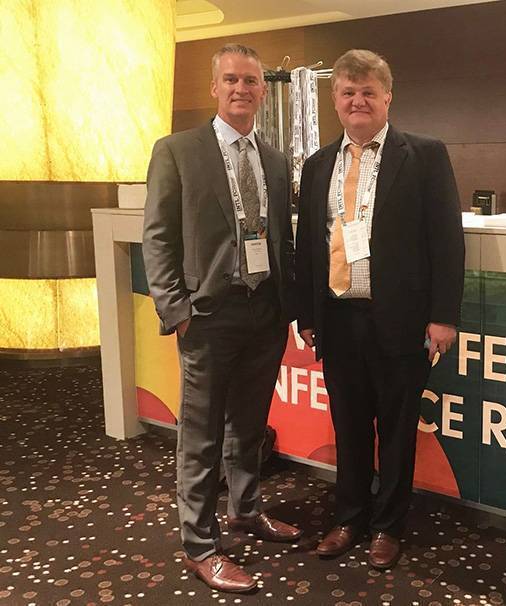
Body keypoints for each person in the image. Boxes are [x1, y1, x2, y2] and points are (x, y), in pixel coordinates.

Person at [143, 43, 313, 594]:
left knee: (250, 424)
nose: (242, 89)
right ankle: (199, 545)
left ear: (263, 90)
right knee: (201, 435)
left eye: (251, 81)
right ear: (214, 87)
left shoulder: (275, 160)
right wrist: (177, 311)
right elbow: (158, 237)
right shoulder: (177, 151)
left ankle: (245, 509)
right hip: (207, 315)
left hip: (264, 312)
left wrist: (289, 308)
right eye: (232, 80)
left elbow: (281, 239)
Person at [294, 49, 465, 570]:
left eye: (368, 91)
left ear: (388, 97)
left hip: (401, 321)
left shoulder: (425, 155)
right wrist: (307, 316)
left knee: (396, 430)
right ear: (335, 99)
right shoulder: (318, 164)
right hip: (338, 319)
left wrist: (443, 316)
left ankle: (388, 526)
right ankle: (349, 518)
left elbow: (446, 240)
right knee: (347, 426)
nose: (358, 101)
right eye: (348, 92)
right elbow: (308, 246)